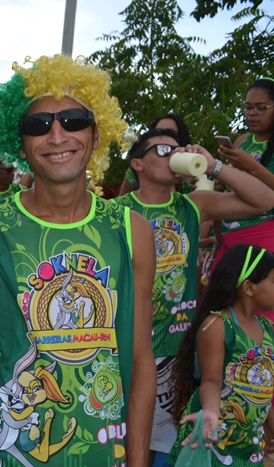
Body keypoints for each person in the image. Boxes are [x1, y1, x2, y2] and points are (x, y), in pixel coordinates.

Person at [0, 53, 157, 466]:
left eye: (74, 120)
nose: (57, 135)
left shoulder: (133, 232)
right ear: (20, 143)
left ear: (96, 135)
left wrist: (138, 459)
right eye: (38, 125)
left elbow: (141, 358)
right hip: (9, 448)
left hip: (102, 451)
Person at [113, 128, 274, 466]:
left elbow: (265, 200)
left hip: (177, 349)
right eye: (163, 150)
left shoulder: (193, 205)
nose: (174, 154)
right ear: (137, 163)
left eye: (179, 149)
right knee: (128, 442)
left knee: (169, 445)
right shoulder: (115, 211)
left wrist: (214, 167)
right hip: (129, 346)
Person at [167, 244, 274, 466]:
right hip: (212, 441)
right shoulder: (218, 325)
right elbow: (211, 381)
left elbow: (265, 393)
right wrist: (210, 412)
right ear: (249, 287)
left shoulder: (268, 328)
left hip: (249, 447)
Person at [213, 78, 274, 273]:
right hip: (227, 234)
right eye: (247, 107)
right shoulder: (242, 141)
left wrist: (251, 167)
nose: (251, 113)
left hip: (263, 235)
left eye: (261, 108)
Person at [118, 114, 193, 196]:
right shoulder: (136, 168)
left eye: (170, 132)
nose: (164, 135)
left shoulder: (191, 165)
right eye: (158, 131)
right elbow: (121, 199)